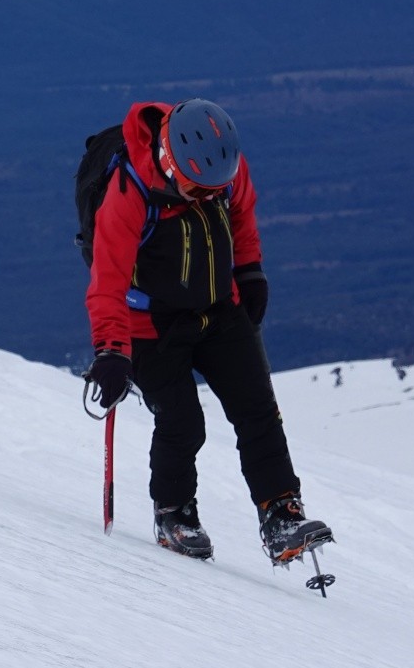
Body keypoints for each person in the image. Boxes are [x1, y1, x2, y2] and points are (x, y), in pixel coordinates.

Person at [83, 99, 331, 564]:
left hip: (218, 307)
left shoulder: (223, 166)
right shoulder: (129, 191)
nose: (208, 195)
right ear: (169, 162)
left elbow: (243, 214)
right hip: (150, 324)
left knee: (257, 407)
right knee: (181, 421)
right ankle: (174, 515)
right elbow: (106, 282)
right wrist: (112, 351)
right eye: (198, 188)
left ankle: (282, 515)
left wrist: (251, 271)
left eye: (214, 188)